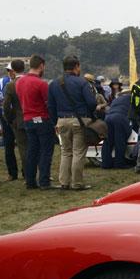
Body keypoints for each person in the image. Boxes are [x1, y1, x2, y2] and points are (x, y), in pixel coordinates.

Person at [48, 54, 98, 190]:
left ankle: (64, 182)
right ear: (76, 66)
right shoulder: (82, 82)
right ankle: (77, 183)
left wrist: (55, 122)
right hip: (79, 120)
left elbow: (50, 106)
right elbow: (91, 103)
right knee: (78, 152)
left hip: (61, 121)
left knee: (65, 152)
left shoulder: (53, 84)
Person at [16, 55, 55, 190]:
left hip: (27, 119)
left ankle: (30, 181)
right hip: (42, 119)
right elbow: (48, 103)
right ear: (41, 66)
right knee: (45, 151)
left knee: (32, 151)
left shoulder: (19, 82)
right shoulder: (41, 83)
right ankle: (44, 181)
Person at [1, 59, 27, 179]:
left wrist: (10, 119)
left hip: (18, 119)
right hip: (33, 117)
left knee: (23, 148)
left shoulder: (10, 85)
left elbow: (6, 106)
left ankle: (27, 173)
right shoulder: (32, 81)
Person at [102, 84, 133, 169]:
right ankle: (119, 163)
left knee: (108, 142)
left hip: (108, 118)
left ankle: (105, 164)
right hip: (120, 117)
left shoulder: (117, 99)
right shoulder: (131, 98)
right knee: (120, 141)